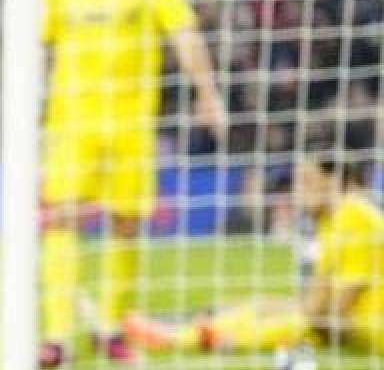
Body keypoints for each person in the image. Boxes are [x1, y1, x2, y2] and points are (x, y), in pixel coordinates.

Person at [39, 0, 227, 370]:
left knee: (125, 223)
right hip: (71, 121)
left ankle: (111, 330)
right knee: (62, 218)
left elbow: (182, 32)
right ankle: (57, 337)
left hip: (131, 123)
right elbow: (39, 46)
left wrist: (206, 91)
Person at [125, 151, 383, 354]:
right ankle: (190, 332)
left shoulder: (354, 215)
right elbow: (316, 300)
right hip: (356, 324)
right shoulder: (330, 221)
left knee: (297, 324)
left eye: (307, 181)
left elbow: (337, 311)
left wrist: (285, 316)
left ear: (334, 182)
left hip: (372, 329)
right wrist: (259, 306)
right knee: (262, 307)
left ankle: (187, 337)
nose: (298, 191)